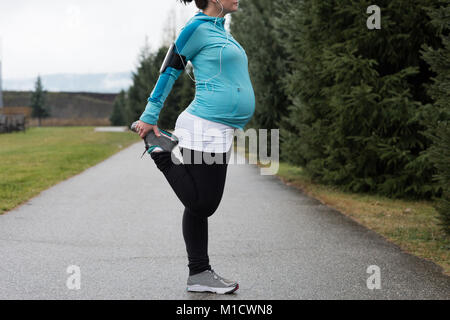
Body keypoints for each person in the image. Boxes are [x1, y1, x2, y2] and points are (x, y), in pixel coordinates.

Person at [133, 0, 255, 294]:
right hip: (204, 125)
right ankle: (160, 152)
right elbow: (169, 70)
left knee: (200, 204)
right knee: (203, 204)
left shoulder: (222, 31)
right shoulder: (196, 28)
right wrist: (150, 116)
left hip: (221, 129)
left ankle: (199, 273)